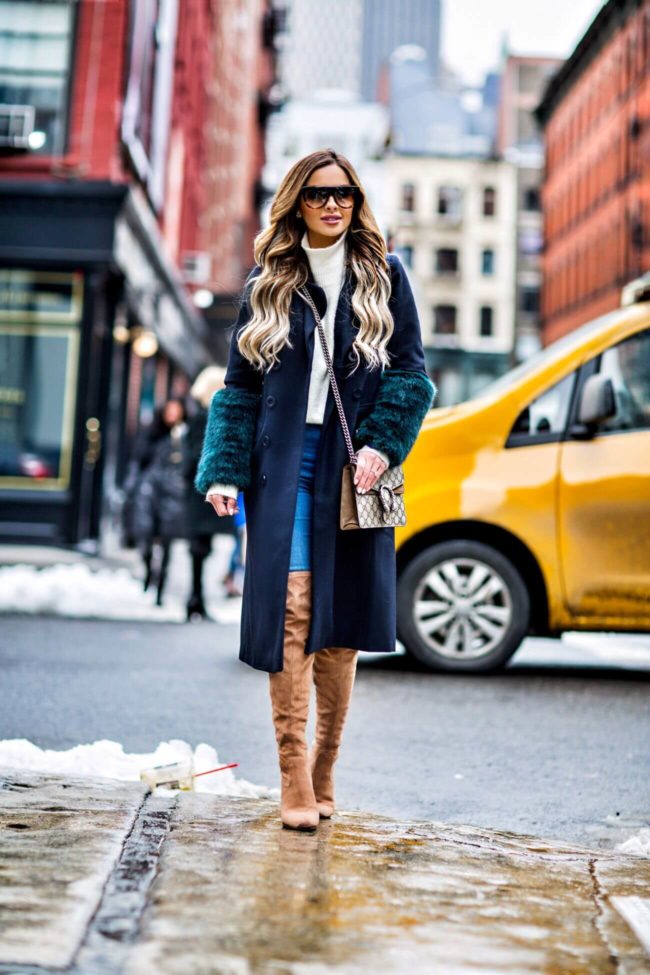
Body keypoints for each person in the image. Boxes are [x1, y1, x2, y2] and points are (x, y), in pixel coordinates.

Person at [194, 148, 436, 831]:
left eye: (345, 195)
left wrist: (384, 442)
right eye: (320, 194)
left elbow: (411, 376)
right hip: (284, 470)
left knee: (339, 629)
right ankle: (293, 777)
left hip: (351, 465)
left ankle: (326, 767)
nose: (334, 205)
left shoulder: (385, 277)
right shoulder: (269, 280)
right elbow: (239, 389)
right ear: (297, 203)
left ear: (357, 203)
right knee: (294, 611)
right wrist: (222, 467)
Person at [183, 367, 242, 619]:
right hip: (202, 492)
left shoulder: (200, 416)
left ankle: (197, 599)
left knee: (203, 548)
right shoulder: (204, 418)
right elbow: (196, 454)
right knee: (200, 548)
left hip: (202, 491)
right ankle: (195, 598)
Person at [131, 397, 188, 606]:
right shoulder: (151, 435)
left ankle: (160, 591)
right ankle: (148, 572)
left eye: (177, 410)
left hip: (172, 496)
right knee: (145, 539)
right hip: (149, 493)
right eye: (169, 410)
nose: (173, 415)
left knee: (167, 544)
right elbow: (139, 461)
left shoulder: (183, 435)